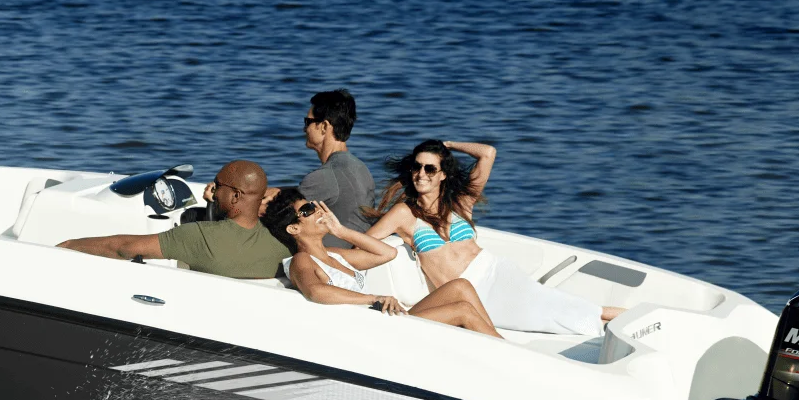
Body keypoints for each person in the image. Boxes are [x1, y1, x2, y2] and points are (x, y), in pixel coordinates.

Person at [363, 139, 623, 335]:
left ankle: (631, 319)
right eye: (417, 167)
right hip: (470, 293)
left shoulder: (460, 203)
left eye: (430, 168)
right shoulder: (404, 214)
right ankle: (612, 325)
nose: (421, 174)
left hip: (496, 271)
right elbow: (365, 241)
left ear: (443, 174)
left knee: (556, 303)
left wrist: (448, 145)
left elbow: (488, 153)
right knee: (549, 314)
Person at [263, 190, 502, 337]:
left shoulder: (334, 254)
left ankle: (499, 345)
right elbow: (315, 291)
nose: (317, 211)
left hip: (384, 320)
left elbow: (387, 253)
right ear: (293, 228)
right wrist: (373, 298)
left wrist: (341, 231)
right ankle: (505, 353)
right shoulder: (301, 260)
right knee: (463, 310)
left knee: (461, 286)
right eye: (307, 210)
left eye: (314, 205)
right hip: (373, 331)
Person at [58, 160, 289, 278]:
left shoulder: (198, 237)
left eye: (219, 185)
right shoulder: (282, 241)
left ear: (236, 196)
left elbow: (123, 248)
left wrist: (67, 246)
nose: (214, 191)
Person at [280, 89, 376, 248]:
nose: (304, 129)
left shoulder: (324, 176)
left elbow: (278, 213)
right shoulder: (360, 168)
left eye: (308, 122)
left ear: (324, 126)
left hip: (331, 255)